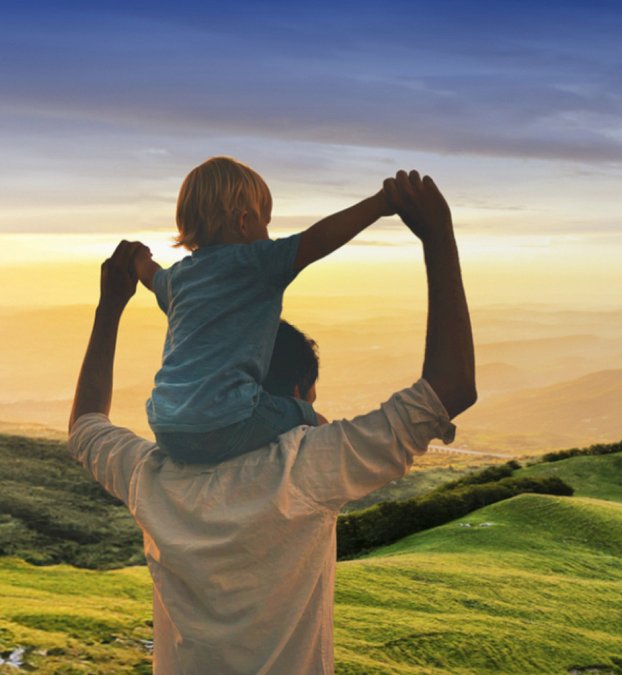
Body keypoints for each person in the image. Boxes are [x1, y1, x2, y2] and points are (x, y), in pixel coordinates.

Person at [68, 171, 475, 674]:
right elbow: (450, 390)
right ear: (298, 392)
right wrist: (437, 234)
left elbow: (85, 425)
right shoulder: (305, 470)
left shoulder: (149, 476)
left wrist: (110, 306)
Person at [134, 156, 413, 464]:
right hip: (225, 421)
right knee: (308, 416)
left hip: (165, 425)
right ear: (243, 223)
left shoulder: (177, 278)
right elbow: (318, 239)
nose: (268, 233)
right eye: (265, 222)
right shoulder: (257, 262)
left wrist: (138, 258)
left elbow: (151, 276)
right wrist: (380, 204)